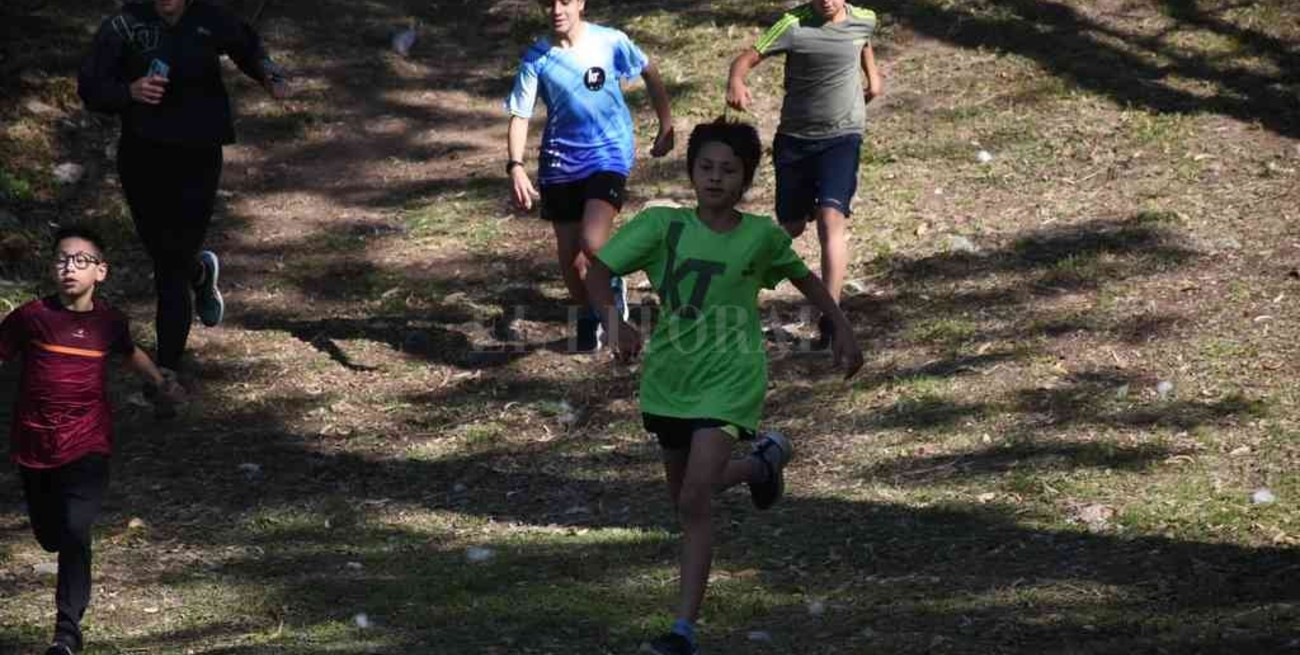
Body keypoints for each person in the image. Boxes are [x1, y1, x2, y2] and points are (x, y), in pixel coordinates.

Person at [584, 119, 865, 655]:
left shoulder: (761, 236)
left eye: (729, 170)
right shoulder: (661, 226)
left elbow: (805, 279)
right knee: (688, 497)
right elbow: (599, 271)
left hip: (732, 375)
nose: (715, 178)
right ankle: (760, 465)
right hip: (670, 377)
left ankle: (682, 632)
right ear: (691, 172)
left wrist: (841, 327)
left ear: (746, 179)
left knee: (694, 497)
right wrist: (613, 319)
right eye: (706, 167)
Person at [78, 0, 291, 377]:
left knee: (169, 262)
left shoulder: (211, 19)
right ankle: (198, 272)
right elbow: (91, 86)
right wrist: (129, 92)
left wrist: (270, 76)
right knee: (166, 253)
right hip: (143, 155)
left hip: (199, 153)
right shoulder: (123, 25)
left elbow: (248, 48)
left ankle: (167, 367)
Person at [0, 226, 183, 655]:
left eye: (81, 260)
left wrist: (159, 381)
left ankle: (67, 631)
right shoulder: (30, 317)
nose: (70, 267)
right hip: (35, 444)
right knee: (51, 535)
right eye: (62, 259)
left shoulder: (108, 322)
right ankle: (61, 559)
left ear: (101, 271)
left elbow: (128, 351)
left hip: (88, 443)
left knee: (77, 529)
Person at [506, 0, 675, 351]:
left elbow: (649, 70)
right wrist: (516, 166)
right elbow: (520, 115)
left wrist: (666, 124)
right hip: (559, 165)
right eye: (549, 2)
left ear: (581, 3)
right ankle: (588, 315)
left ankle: (613, 303)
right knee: (571, 258)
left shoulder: (609, 41)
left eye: (565, 1)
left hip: (608, 156)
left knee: (593, 242)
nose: (557, 9)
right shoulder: (537, 57)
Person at [726, 0, 882, 348]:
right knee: (792, 227)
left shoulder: (864, 19)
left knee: (831, 217)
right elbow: (748, 57)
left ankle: (832, 314)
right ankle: (734, 285)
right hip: (795, 140)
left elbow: (864, 41)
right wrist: (737, 79)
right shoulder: (792, 25)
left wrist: (873, 78)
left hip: (843, 136)